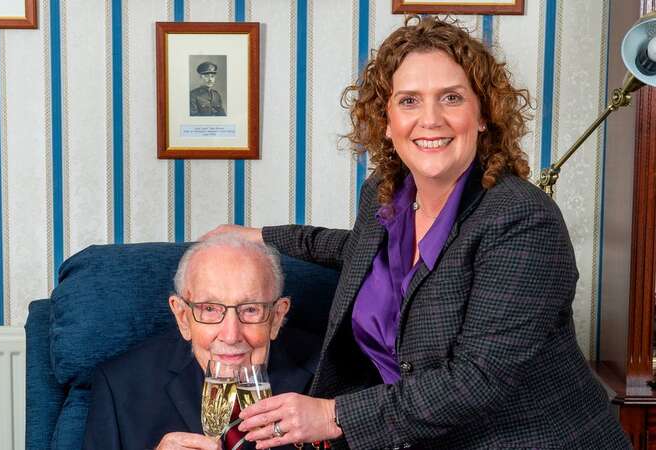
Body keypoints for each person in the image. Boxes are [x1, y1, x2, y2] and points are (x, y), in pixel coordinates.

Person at [203, 16, 630, 450]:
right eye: (409, 101)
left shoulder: (522, 221)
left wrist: (332, 415)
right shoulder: (385, 194)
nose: (430, 119)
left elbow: (476, 379)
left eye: (451, 98)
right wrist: (262, 235)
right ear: (385, 121)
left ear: (483, 115)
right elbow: (358, 251)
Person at [82, 234, 320, 450]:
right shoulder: (120, 385)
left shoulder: (330, 375)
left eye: (250, 310)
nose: (230, 335)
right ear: (183, 317)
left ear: (277, 316)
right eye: (209, 309)